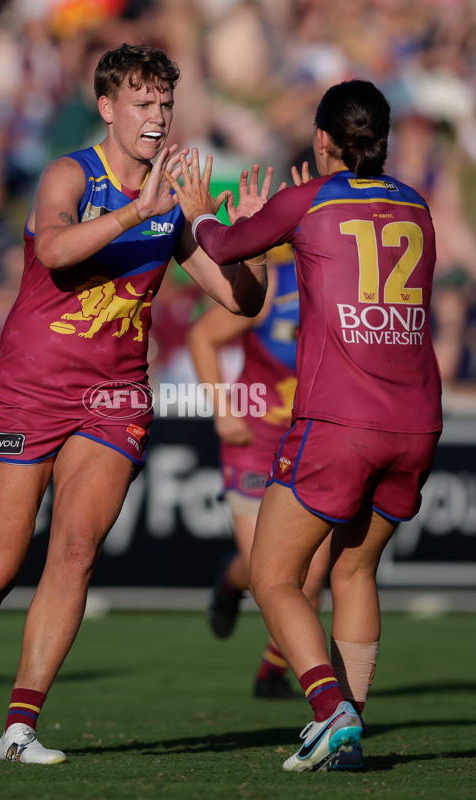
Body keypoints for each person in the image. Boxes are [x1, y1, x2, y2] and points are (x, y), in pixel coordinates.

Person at [0, 43, 271, 764]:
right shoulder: (71, 173)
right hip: (29, 390)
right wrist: (136, 212)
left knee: (75, 550)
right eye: (143, 102)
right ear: (107, 108)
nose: (158, 117)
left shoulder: (172, 200)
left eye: (165, 103)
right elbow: (56, 250)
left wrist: (250, 242)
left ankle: (20, 728)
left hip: (114, 398)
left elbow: (241, 302)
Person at [167, 79, 442, 772]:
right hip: (417, 422)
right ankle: (349, 734)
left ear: (322, 140)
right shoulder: (417, 205)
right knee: (354, 570)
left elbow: (226, 246)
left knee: (273, 575)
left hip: (341, 421)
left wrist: (201, 212)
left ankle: (329, 711)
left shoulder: (311, 198)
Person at [187, 246, 331, 700]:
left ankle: (273, 671)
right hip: (254, 441)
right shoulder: (275, 288)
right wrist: (223, 411)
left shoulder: (346, 289)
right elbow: (201, 336)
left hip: (310, 443)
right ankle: (230, 583)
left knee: (313, 572)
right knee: (262, 567)